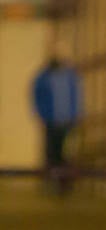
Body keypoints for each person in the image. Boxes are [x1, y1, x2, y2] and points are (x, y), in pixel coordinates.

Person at [31, 54, 82, 193]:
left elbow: (76, 98)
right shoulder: (44, 78)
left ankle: (62, 183)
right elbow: (37, 98)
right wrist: (42, 115)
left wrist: (75, 115)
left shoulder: (69, 78)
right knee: (52, 152)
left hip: (66, 121)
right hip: (52, 121)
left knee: (63, 153)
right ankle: (53, 183)